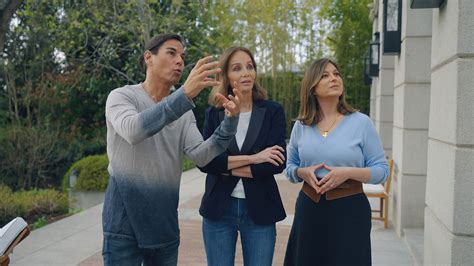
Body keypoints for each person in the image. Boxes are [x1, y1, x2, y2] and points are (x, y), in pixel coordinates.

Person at [102, 33, 242, 266]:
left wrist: (230, 122)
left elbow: (201, 155)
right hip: (123, 227)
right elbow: (133, 130)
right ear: (149, 57)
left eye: (182, 56)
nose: (180, 60)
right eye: (171, 52)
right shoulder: (122, 97)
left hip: (164, 227)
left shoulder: (184, 111)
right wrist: (184, 94)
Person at [283, 58, 389, 265]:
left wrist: (348, 172)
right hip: (309, 209)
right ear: (312, 87)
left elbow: (381, 170)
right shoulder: (301, 126)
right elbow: (289, 168)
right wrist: (301, 172)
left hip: (350, 210)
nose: (334, 78)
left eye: (336, 74)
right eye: (325, 75)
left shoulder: (361, 122)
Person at [198, 47, 287, 266]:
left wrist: (224, 166)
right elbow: (205, 162)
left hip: (260, 209)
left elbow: (276, 164)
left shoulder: (272, 111)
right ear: (226, 76)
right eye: (237, 68)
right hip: (219, 209)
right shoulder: (214, 114)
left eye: (250, 66)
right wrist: (255, 158)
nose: (246, 72)